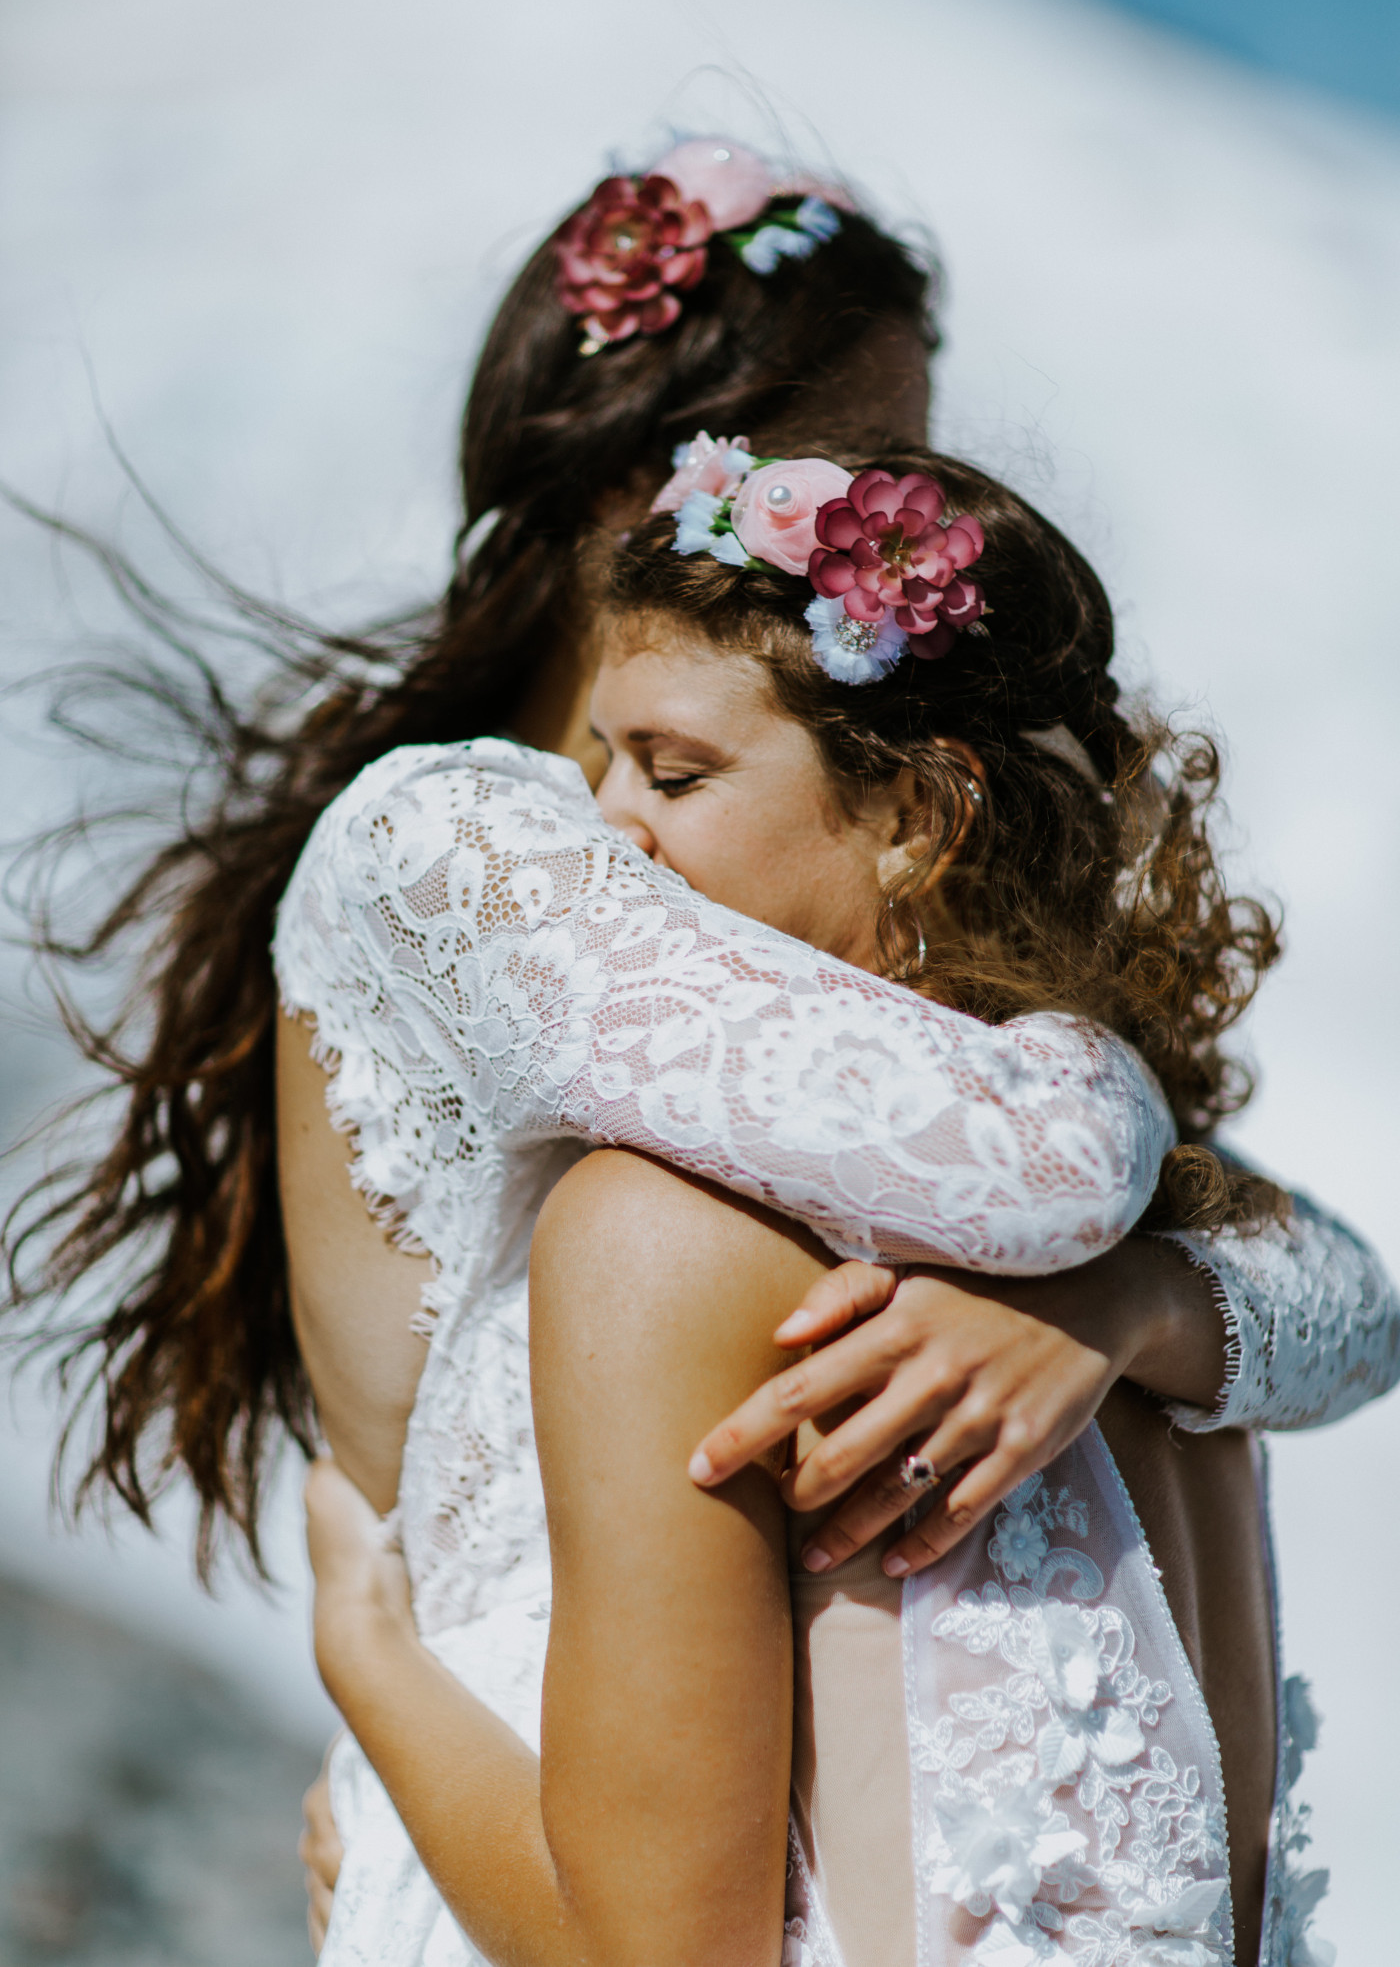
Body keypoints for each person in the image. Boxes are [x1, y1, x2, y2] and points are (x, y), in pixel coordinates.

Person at [5, 143, 1390, 1957]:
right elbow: (1042, 1163)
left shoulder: (836, 907)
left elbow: (1341, 1289)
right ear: (680, 468)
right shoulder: (462, 851)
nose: (908, 521)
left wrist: (1117, 1318)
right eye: (866, 457)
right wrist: (1112, 1202)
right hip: (580, 1844)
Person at [299, 442, 1377, 1967]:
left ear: (920, 818)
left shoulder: (669, 1237)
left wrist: (369, 1661)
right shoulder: (1176, 1248)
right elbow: (1363, 1306)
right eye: (598, 762)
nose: (606, 828)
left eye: (675, 774)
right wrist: (1126, 1303)